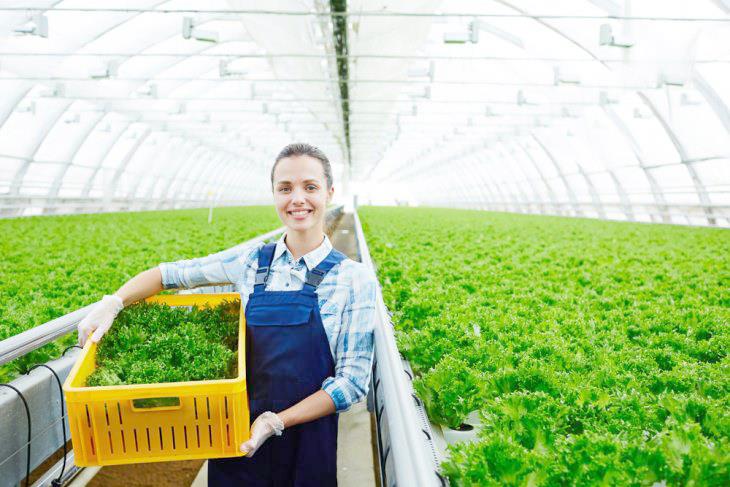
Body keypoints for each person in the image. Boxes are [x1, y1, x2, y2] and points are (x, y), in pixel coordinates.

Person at [77, 143, 377, 486]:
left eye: (310, 187)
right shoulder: (250, 262)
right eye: (285, 188)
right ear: (274, 195)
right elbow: (169, 273)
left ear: (329, 193)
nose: (297, 199)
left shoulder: (353, 279)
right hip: (236, 437)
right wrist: (113, 301)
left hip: (307, 444)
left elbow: (351, 384)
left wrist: (276, 421)